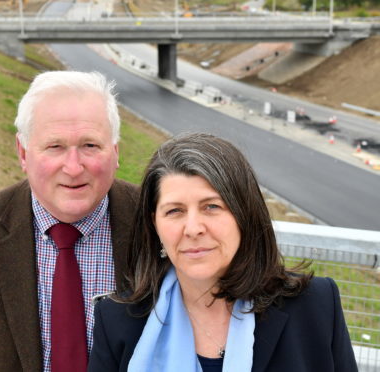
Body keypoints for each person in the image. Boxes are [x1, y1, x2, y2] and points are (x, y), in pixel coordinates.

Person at [0, 71, 139, 372]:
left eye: (90, 145)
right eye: (55, 147)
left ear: (115, 151)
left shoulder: (156, 221)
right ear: (23, 153)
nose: (74, 167)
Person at [88, 133, 358, 372]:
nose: (193, 228)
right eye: (174, 211)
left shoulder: (315, 306)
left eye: (211, 207)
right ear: (154, 225)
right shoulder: (116, 321)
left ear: (244, 214)